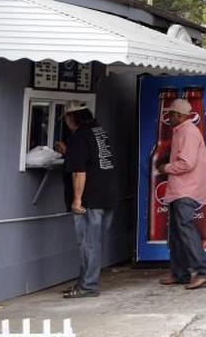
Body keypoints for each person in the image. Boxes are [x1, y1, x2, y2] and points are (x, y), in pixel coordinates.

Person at [157, 98, 206, 290]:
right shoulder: (182, 131)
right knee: (176, 233)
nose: (169, 117)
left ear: (180, 115)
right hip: (179, 189)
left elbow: (186, 163)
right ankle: (180, 273)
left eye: (171, 114)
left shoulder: (188, 133)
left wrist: (165, 167)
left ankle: (204, 271)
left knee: (185, 230)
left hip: (186, 190)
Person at [59, 103, 117, 299]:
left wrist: (77, 200)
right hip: (107, 196)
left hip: (90, 200)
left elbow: (80, 172)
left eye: (66, 119)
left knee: (88, 244)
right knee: (94, 243)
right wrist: (69, 152)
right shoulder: (99, 132)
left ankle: (88, 286)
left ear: (72, 118)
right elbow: (95, 160)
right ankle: (83, 283)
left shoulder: (79, 137)